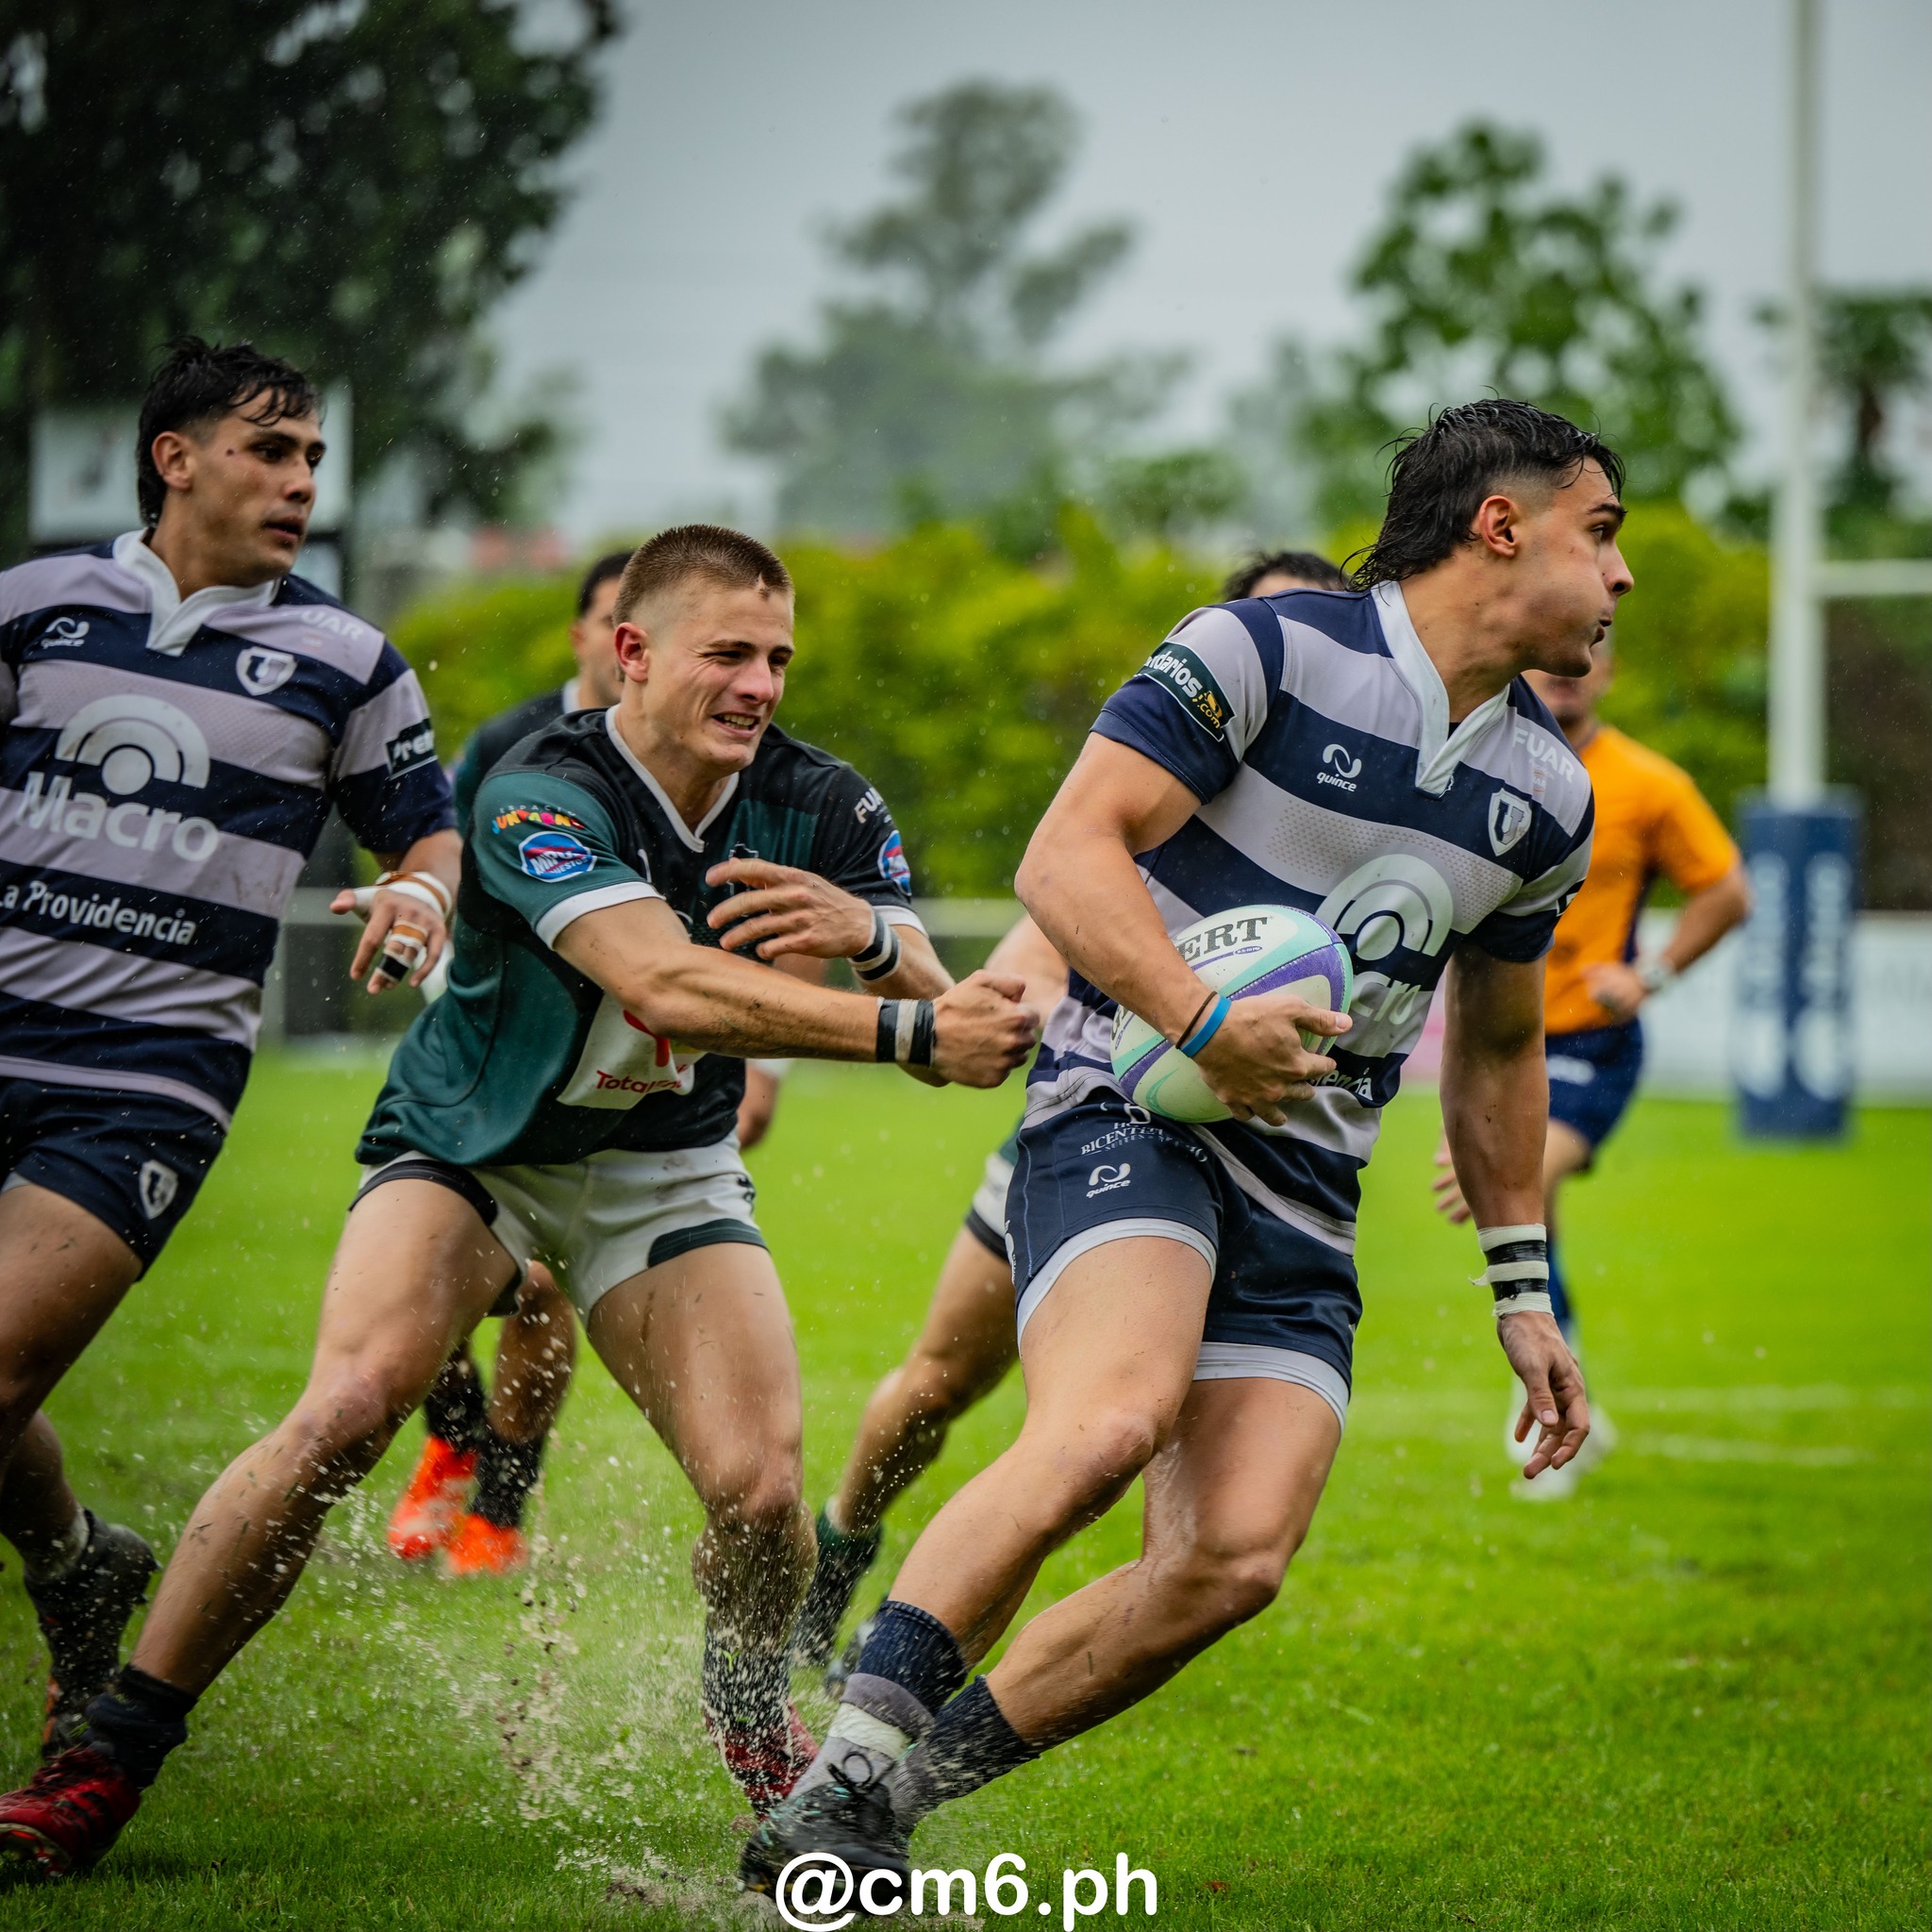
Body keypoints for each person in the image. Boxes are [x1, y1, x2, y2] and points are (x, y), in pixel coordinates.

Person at [0, 523, 1039, 1880]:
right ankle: (106, 1755)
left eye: (778, 657)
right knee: (348, 1408)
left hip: (660, 1163)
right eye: (728, 652)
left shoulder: (822, 800)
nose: (761, 684)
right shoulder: (535, 786)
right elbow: (662, 981)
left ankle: (749, 1721)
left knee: (762, 1493)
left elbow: (922, 970)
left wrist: (879, 940)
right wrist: (909, 1034)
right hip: (471, 1149)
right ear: (632, 651)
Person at [741, 399, 1624, 1896]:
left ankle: (881, 1805)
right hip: (1127, 1110)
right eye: (1600, 538)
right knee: (1102, 1423)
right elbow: (1063, 853)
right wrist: (1196, 1021)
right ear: (1501, 525)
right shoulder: (1266, 654)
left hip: (1312, 1192)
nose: (1614, 582)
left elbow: (1494, 1048)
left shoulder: (1550, 796)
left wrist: (1521, 1287)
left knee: (1233, 1561)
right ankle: (837, 1779)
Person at [0, 340, 457, 1762]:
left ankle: (79, 1578)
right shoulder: (33, 609)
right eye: (271, 449)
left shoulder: (345, 660)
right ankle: (80, 1562)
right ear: (173, 456)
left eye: (314, 457)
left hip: (141, 1081)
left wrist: (420, 891)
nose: (302, 481)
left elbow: (425, 827)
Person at [793, 552, 1355, 1680]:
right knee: (939, 1387)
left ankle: (919, 1678)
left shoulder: (1330, 841)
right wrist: (1117, 1017)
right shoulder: (1145, 812)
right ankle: (842, 1544)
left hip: (1253, 1185)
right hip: (1081, 1145)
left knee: (1115, 1438)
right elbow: (1009, 987)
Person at [1431, 630, 1749, 1497]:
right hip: (1500, 1038)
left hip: (1590, 1044)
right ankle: (1569, 1400)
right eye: (1541, 671)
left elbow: (1728, 891)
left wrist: (1649, 974)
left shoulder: (1650, 784)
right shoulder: (1473, 763)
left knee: (1517, 1182)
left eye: (1585, 665)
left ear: (1602, 671)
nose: (1564, 684)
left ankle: (1538, 1417)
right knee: (1530, 1214)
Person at [386, 549, 628, 1578]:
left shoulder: (685, 761)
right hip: (476, 1049)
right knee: (412, 1271)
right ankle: (449, 1431)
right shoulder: (506, 743)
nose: (633, 643)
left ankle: (498, 1504)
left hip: (597, 1075)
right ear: (583, 633)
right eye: (617, 619)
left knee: (539, 1287)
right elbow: (448, 883)